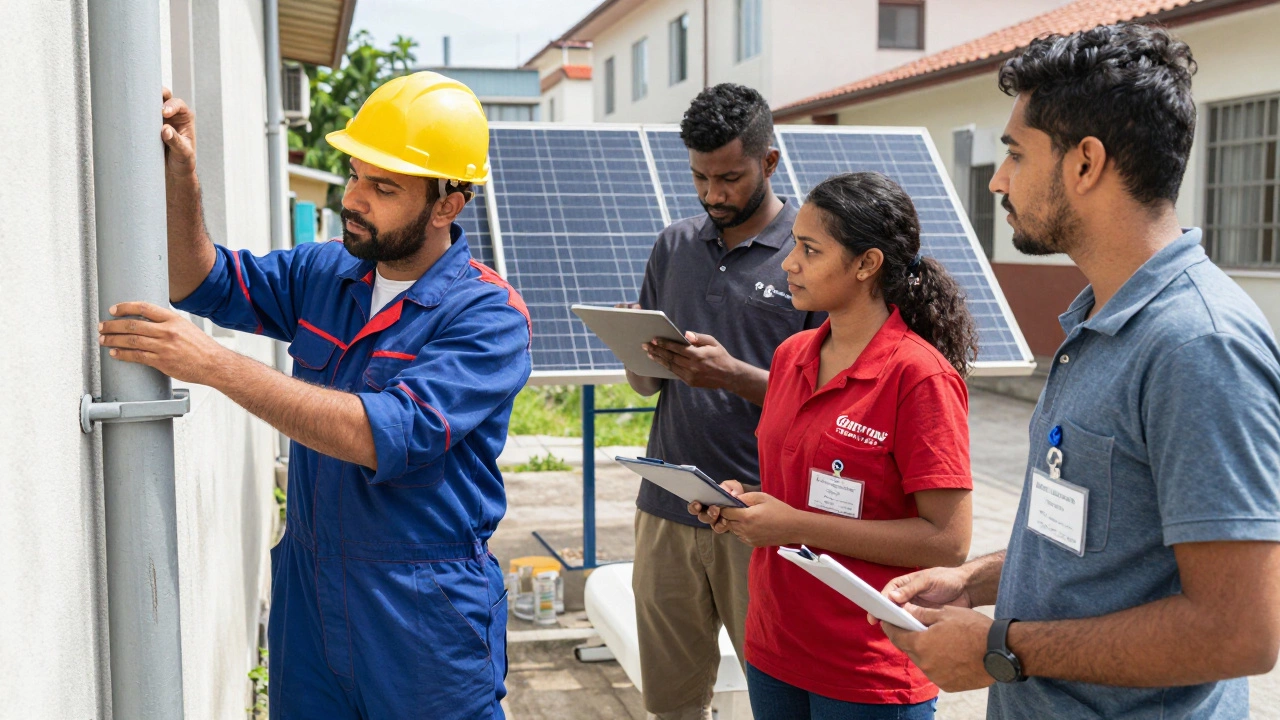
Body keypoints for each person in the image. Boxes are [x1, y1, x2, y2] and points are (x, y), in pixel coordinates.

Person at [873, 23, 1280, 719]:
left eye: (1015, 153)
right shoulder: (1100, 321)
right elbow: (1098, 546)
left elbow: (1238, 631)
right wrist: (975, 581)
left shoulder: (1197, 346)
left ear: (1086, 163)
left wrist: (1003, 647)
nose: (998, 179)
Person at [98, 72, 531, 719]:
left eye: (384, 188)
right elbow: (200, 281)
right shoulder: (328, 272)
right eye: (355, 175)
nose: (354, 198)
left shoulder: (488, 316)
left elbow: (379, 432)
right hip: (311, 592)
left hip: (422, 612)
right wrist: (181, 176)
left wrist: (213, 363)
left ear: (448, 205)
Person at [693, 172, 976, 719]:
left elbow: (947, 542)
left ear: (867, 263)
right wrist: (742, 502)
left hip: (867, 663)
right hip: (775, 645)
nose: (788, 263)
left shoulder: (919, 377)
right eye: (794, 245)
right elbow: (796, 489)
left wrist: (793, 525)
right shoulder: (791, 355)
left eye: (810, 249)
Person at [625, 83, 822, 720]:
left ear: (769, 162)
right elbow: (645, 386)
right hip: (667, 507)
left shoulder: (812, 255)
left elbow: (829, 402)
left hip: (763, 515)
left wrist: (733, 375)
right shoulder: (673, 246)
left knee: (781, 699)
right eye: (700, 177)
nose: (713, 194)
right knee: (672, 704)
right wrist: (636, 349)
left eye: (730, 178)